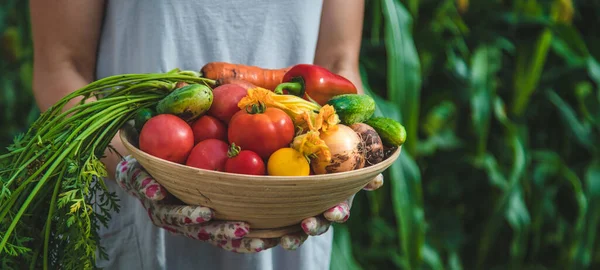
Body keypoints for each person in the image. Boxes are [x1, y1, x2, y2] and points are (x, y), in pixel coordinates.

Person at [29, 0, 382, 269]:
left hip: (295, 196)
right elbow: (61, 68)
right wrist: (130, 164)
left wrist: (345, 165)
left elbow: (338, 64)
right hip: (131, 196)